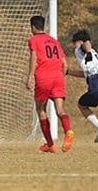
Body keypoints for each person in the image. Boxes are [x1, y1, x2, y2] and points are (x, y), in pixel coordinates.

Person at [26, 15, 73, 153]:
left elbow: (34, 57)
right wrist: (59, 76)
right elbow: (65, 64)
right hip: (58, 77)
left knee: (41, 110)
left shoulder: (33, 40)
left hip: (43, 78)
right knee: (60, 110)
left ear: (33, 27)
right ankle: (68, 131)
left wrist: (30, 76)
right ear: (43, 26)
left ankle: (50, 144)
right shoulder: (54, 41)